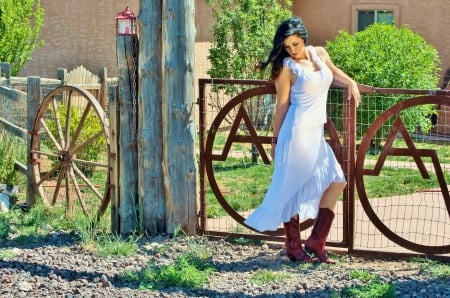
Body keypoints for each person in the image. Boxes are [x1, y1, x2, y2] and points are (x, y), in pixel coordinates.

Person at [244, 16, 360, 263]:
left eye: (295, 44)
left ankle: (317, 240)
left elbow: (334, 74)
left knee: (337, 181)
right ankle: (293, 246)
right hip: (295, 133)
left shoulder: (319, 53)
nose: (292, 50)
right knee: (292, 189)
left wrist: (351, 83)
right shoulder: (286, 67)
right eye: (287, 47)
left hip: (315, 134)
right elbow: (282, 106)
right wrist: (274, 141)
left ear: (304, 38)